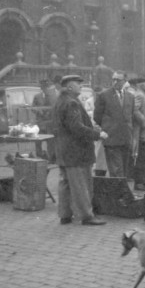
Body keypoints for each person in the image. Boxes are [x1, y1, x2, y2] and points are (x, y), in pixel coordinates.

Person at [53, 74, 108, 225]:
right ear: (70, 87)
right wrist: (97, 134)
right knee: (81, 184)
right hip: (76, 151)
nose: (81, 87)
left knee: (65, 183)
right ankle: (87, 216)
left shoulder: (60, 101)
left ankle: (65, 215)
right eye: (78, 84)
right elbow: (76, 127)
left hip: (64, 150)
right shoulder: (72, 103)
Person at [93, 71, 145, 178]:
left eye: (118, 80)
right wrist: (108, 127)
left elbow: (130, 116)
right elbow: (97, 116)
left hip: (126, 138)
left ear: (125, 81)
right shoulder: (104, 95)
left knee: (124, 169)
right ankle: (117, 193)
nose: (115, 82)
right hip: (111, 138)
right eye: (113, 79)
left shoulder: (130, 96)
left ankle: (121, 192)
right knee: (116, 170)